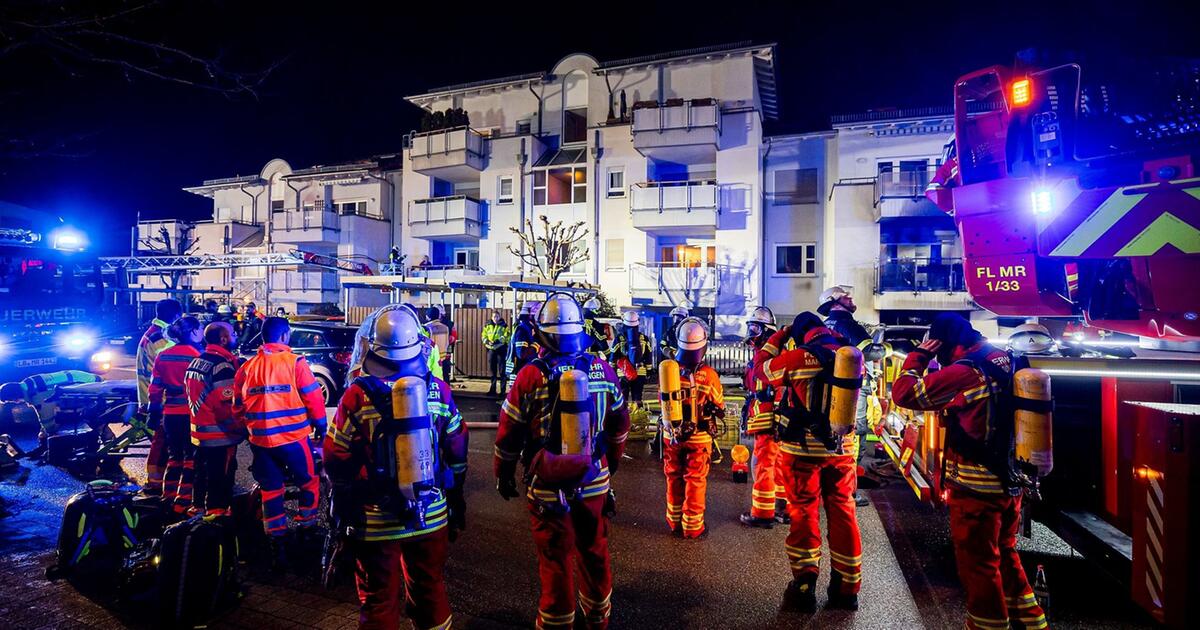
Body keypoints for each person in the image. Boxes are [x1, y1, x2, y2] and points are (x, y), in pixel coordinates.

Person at [891, 313, 1048, 630]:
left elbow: (904, 393)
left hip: (977, 489)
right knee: (1005, 553)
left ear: (947, 346)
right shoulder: (1011, 359)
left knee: (979, 565)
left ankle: (988, 625)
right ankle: (1032, 623)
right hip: (1011, 482)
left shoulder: (966, 370)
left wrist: (920, 357)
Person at [326, 306, 468, 630]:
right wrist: (455, 493)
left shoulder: (357, 396)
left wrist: (347, 501)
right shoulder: (438, 391)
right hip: (431, 514)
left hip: (376, 522)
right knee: (430, 589)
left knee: (379, 599)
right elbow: (457, 447)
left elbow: (335, 458)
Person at [494, 293, 630, 629]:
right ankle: (598, 618)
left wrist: (505, 474)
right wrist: (607, 466)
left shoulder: (531, 375)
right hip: (594, 479)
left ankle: (557, 624)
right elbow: (620, 426)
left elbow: (509, 433)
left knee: (555, 562)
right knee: (594, 552)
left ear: (542, 333)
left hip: (548, 486)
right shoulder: (601, 370)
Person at [754, 313, 862, 611]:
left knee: (803, 512)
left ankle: (804, 585)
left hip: (802, 452)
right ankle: (846, 589)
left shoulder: (797, 357)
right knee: (843, 512)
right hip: (842, 451)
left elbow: (758, 372)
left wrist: (777, 338)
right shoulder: (849, 354)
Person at [233, 317, 327, 561]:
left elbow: (236, 406)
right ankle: (307, 528)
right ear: (285, 336)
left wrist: (249, 429)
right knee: (309, 481)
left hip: (261, 441)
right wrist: (321, 424)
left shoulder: (247, 366)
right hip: (293, 437)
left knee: (271, 489)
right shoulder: (294, 362)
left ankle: (276, 539)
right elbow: (313, 397)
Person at [661, 317, 723, 539]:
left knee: (673, 477)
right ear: (703, 345)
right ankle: (693, 527)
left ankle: (673, 522)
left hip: (671, 436)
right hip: (698, 439)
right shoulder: (710, 375)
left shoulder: (668, 371)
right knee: (695, 480)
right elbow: (719, 404)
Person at [818, 285, 873, 507]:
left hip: (832, 390)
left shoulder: (825, 325)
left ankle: (831, 486)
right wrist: (890, 347)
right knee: (855, 436)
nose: (850, 298)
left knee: (834, 437)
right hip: (852, 389)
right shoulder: (846, 322)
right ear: (834, 302)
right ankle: (849, 491)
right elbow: (869, 351)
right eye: (845, 296)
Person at [184, 322, 246, 517]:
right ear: (223, 339)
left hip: (199, 433)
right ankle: (216, 517)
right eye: (233, 334)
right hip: (220, 435)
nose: (236, 336)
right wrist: (242, 428)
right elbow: (227, 407)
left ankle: (198, 509)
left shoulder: (197, 361)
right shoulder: (222, 367)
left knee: (201, 473)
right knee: (220, 477)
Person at [148, 316, 204, 514]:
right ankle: (183, 501)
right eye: (200, 328)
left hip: (170, 413)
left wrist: (153, 411)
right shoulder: (197, 356)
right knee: (191, 458)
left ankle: (168, 495)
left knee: (174, 456)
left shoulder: (163, 356)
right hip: (191, 414)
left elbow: (155, 388)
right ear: (193, 332)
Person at [739, 306, 789, 528]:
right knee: (778, 462)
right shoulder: (764, 352)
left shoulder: (774, 354)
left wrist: (776, 416)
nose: (752, 332)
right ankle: (782, 509)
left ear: (768, 331)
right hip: (766, 413)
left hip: (769, 416)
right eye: (750, 326)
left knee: (764, 463)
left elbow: (778, 386)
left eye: (756, 327)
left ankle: (762, 513)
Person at [137, 298, 183, 496]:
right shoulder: (160, 338)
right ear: (176, 315)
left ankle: (160, 479)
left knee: (164, 440)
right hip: (161, 398)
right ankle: (156, 482)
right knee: (163, 441)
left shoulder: (154, 334)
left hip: (153, 394)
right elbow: (172, 366)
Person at [0, 370, 102, 458]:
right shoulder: (28, 384)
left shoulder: (37, 395)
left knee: (90, 414)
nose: (15, 402)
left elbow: (47, 421)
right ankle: (101, 439)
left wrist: (47, 442)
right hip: (83, 379)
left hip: (89, 385)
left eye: (12, 400)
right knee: (83, 414)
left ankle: (104, 441)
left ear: (15, 395)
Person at [613, 311, 652, 407]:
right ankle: (639, 418)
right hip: (640, 371)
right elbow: (648, 355)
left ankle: (623, 417)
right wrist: (649, 371)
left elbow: (613, 356)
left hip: (624, 373)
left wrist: (612, 371)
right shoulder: (644, 338)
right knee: (637, 397)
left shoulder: (619, 338)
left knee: (623, 397)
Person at [506, 301, 539, 382]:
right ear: (531, 315)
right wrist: (536, 345)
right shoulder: (522, 329)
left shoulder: (529, 328)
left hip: (525, 373)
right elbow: (521, 354)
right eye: (539, 312)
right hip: (520, 375)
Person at [481, 311, 511, 396]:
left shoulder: (504, 325)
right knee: (492, 371)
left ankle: (502, 391)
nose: (495, 318)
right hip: (491, 350)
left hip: (501, 349)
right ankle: (492, 390)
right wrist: (487, 341)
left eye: (497, 317)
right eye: (494, 317)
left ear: (500, 317)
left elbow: (506, 336)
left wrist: (497, 341)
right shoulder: (487, 325)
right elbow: (483, 335)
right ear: (491, 317)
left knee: (502, 371)